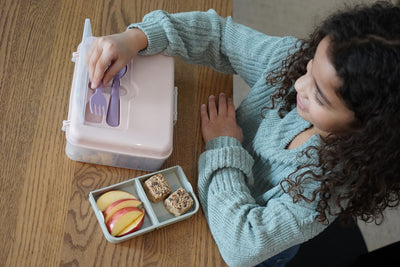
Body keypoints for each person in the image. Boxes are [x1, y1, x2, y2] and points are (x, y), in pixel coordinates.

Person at [87, 1, 400, 266]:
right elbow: (221, 36)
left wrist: (223, 145)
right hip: (213, 173)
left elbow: (242, 245)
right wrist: (138, 38)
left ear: (366, 128)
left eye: (319, 96)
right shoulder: (295, 62)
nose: (298, 85)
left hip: (250, 245)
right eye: (310, 68)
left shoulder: (324, 187)